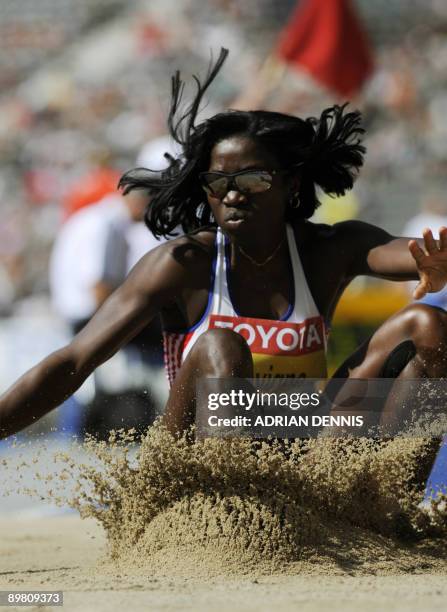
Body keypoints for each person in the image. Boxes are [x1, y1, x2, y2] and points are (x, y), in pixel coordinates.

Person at [2, 48, 447, 440]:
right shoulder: (182, 263)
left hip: (299, 437)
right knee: (220, 345)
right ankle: (223, 525)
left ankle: (389, 508)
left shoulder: (329, 249)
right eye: (219, 181)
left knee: (427, 324)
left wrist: (439, 263)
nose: (232, 194)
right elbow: (74, 362)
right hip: (193, 464)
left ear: (291, 185)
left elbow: (416, 253)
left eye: (251, 179)